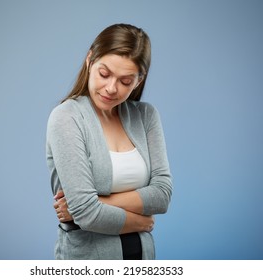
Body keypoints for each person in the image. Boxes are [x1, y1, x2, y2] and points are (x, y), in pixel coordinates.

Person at [46, 23, 172, 260]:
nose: (111, 88)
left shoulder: (145, 116)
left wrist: (99, 202)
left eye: (125, 81)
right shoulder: (67, 117)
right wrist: (141, 222)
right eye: (104, 74)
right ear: (90, 60)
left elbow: (162, 195)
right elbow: (87, 214)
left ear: (139, 80)